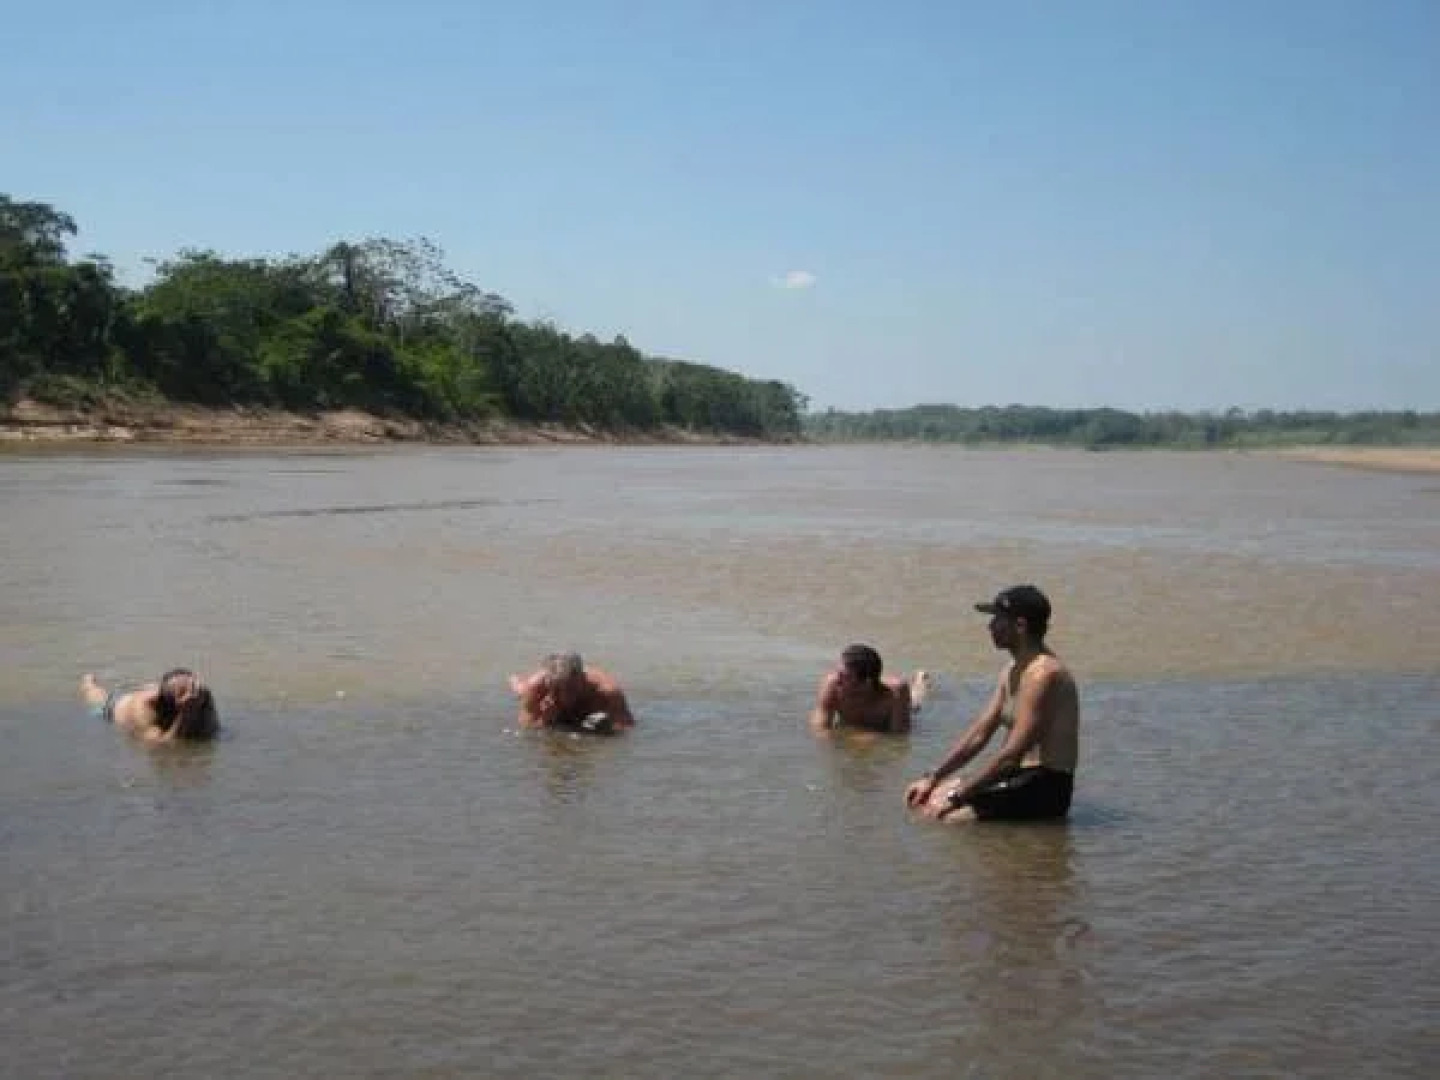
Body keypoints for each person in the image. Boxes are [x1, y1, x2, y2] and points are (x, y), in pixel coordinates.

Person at [905, 585, 1079, 822]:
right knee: (920, 798)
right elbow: (979, 734)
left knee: (941, 818)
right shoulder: (1012, 669)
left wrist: (957, 797)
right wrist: (933, 777)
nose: (990, 626)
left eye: (997, 619)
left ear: (1020, 626)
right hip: (1016, 776)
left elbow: (1011, 756)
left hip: (1044, 787)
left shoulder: (1043, 675)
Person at [809, 644, 932, 734]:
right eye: (838, 672)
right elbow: (819, 725)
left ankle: (921, 679)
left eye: (844, 676)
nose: (837, 679)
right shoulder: (832, 684)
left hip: (902, 705)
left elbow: (900, 734)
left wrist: (871, 737)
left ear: (867, 681)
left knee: (915, 704)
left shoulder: (895, 693)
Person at [507, 652, 635, 734]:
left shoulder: (608, 691)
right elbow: (527, 728)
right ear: (548, 681)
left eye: (570, 688)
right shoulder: (536, 688)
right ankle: (516, 681)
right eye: (556, 689)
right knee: (522, 691)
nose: (563, 696)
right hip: (536, 688)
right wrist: (545, 720)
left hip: (590, 702)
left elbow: (626, 727)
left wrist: (607, 728)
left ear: (582, 678)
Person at [80, 668, 220, 743]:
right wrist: (185, 714)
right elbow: (162, 745)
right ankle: (88, 680)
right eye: (185, 692)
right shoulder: (144, 712)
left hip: (151, 692)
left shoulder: (197, 692)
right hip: (113, 707)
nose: (194, 692)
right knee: (94, 693)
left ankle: (145, 688)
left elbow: (213, 729)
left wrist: (207, 698)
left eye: (193, 685)